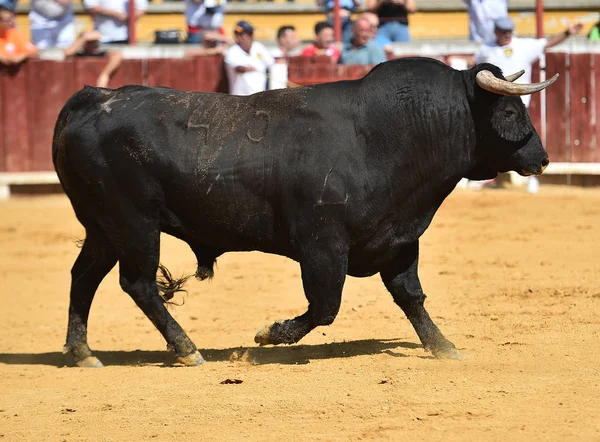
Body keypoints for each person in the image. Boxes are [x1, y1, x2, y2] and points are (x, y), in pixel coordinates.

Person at [474, 16, 583, 192]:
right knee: (490, 140)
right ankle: (490, 177)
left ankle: (533, 177)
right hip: (494, 108)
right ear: (496, 32)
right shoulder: (486, 50)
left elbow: (546, 44)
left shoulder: (523, 46)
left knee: (527, 141)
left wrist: (567, 33)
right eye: (503, 31)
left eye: (509, 30)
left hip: (519, 108)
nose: (507, 34)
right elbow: (475, 69)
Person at [224, 20, 274, 96]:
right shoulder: (232, 52)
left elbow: (271, 63)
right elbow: (237, 68)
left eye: (251, 34)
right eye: (248, 34)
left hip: (260, 96)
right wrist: (247, 69)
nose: (251, 37)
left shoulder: (259, 47)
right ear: (238, 36)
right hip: (240, 98)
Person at [83, 0, 147, 44]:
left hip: (126, 37)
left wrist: (129, 17)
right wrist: (115, 14)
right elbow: (90, 6)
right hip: (103, 37)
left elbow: (142, 8)